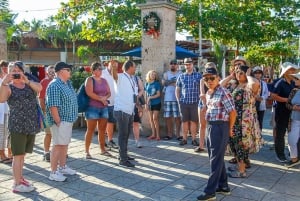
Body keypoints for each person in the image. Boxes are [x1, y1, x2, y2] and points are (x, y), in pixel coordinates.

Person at [0, 61, 42, 193]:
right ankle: (16, 183)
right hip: (17, 126)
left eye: (18, 70)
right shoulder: (8, 86)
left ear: (23, 71)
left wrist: (27, 81)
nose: (16, 72)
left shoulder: (28, 84)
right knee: (17, 156)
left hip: (30, 124)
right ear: (9, 72)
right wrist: (4, 82)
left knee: (22, 155)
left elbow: (40, 89)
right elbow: (1, 99)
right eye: (13, 70)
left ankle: (20, 178)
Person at [196, 67, 236, 201]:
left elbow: (233, 112)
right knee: (215, 157)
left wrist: (229, 129)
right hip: (211, 126)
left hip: (220, 126)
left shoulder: (224, 92)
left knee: (215, 159)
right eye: (206, 79)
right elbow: (209, 107)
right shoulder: (209, 92)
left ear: (218, 77)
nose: (209, 81)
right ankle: (223, 186)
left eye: (212, 78)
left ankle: (210, 191)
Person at [227, 65, 261, 178]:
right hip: (234, 119)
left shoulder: (249, 85)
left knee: (240, 144)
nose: (238, 74)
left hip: (243, 122)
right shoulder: (236, 85)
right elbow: (220, 85)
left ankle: (241, 171)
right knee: (235, 143)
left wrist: (247, 75)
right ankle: (242, 165)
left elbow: (255, 84)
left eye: (240, 72)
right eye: (236, 72)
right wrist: (230, 76)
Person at [46, 61, 78, 182]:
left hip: (67, 120)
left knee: (64, 144)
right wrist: (58, 121)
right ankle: (53, 172)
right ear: (60, 72)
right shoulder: (54, 85)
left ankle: (63, 167)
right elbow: (53, 105)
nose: (70, 71)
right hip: (61, 121)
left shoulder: (67, 83)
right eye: (68, 69)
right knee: (58, 145)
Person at [271, 62, 298, 162]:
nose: (293, 72)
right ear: (286, 72)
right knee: (280, 134)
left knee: (292, 133)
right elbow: (273, 96)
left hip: (293, 113)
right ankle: (280, 154)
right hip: (281, 112)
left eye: (294, 70)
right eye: (291, 70)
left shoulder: (294, 82)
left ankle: (293, 153)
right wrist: (287, 100)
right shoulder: (279, 82)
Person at [84, 61, 111, 159]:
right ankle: (87, 151)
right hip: (92, 108)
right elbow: (89, 93)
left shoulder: (104, 80)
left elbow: (109, 92)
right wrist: (101, 99)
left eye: (101, 69)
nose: (101, 71)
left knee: (102, 130)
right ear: (94, 70)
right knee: (90, 130)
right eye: (99, 69)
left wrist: (105, 98)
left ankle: (102, 149)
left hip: (103, 108)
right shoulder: (90, 79)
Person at [114, 60, 137, 168]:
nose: (135, 68)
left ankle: (123, 155)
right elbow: (114, 76)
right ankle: (123, 159)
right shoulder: (121, 76)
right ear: (130, 67)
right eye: (134, 66)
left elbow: (134, 94)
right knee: (123, 135)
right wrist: (114, 68)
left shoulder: (132, 78)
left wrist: (138, 106)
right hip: (122, 110)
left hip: (130, 110)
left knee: (126, 135)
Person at [176, 58, 201, 146]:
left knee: (194, 121)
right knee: (184, 121)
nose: (188, 66)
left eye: (189, 64)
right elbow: (178, 89)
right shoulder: (181, 76)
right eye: (186, 64)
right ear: (184, 65)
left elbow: (201, 89)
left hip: (195, 102)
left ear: (192, 64)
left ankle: (194, 139)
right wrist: (178, 101)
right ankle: (184, 139)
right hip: (184, 102)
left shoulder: (198, 76)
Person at [195, 62, 216, 153]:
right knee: (202, 125)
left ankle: (213, 145)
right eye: (207, 68)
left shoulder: (216, 79)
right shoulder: (202, 80)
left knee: (213, 126)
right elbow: (202, 93)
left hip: (214, 103)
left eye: (211, 68)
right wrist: (205, 104)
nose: (209, 70)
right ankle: (201, 145)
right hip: (203, 103)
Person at [38, 65, 56, 162]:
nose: (52, 73)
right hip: (48, 113)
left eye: (53, 71)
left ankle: (58, 152)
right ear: (47, 72)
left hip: (58, 112)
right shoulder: (44, 82)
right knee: (48, 133)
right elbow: (41, 99)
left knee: (58, 134)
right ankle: (46, 152)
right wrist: (45, 112)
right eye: (50, 71)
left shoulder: (59, 82)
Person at [161, 59, 182, 140]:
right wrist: (173, 82)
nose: (173, 65)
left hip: (177, 98)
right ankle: (169, 134)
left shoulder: (180, 73)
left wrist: (169, 82)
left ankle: (178, 135)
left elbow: (181, 83)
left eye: (174, 63)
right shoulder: (166, 73)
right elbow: (163, 83)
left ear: (177, 65)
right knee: (168, 117)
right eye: (171, 63)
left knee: (178, 117)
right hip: (167, 98)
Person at [101, 60, 118, 149]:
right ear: (109, 65)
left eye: (116, 66)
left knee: (111, 122)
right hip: (104, 102)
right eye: (113, 65)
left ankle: (110, 140)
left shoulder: (116, 75)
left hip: (113, 102)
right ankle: (102, 141)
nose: (114, 67)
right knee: (103, 123)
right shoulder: (102, 73)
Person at [286, 72, 300, 167]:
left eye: (296, 78)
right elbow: (287, 104)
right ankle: (294, 158)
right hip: (294, 119)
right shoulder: (294, 91)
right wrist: (293, 107)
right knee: (291, 140)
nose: (294, 80)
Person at [0, 60, 11, 164]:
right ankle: (2, 155)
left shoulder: (6, 80)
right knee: (1, 134)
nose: (4, 69)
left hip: (7, 110)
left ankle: (7, 153)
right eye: (3, 67)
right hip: (1, 111)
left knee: (7, 133)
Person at [145, 70, 162, 141]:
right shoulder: (146, 84)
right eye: (152, 74)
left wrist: (150, 98)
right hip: (149, 104)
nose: (153, 76)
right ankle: (153, 134)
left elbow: (158, 94)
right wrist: (146, 103)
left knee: (155, 119)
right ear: (149, 75)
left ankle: (158, 135)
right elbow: (145, 94)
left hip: (156, 103)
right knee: (151, 120)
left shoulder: (157, 84)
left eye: (154, 75)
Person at [252, 66, 269, 131]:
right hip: (252, 104)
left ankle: (259, 137)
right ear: (253, 74)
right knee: (253, 121)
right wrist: (255, 97)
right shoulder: (250, 82)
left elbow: (267, 93)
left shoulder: (264, 83)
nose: (257, 74)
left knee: (260, 121)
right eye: (256, 73)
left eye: (259, 73)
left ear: (261, 74)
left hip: (261, 105)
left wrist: (262, 98)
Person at [133, 75, 145, 148]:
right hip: (125, 103)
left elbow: (141, 89)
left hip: (135, 103)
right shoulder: (122, 77)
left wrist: (137, 97)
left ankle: (137, 141)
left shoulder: (136, 78)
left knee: (136, 123)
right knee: (126, 124)